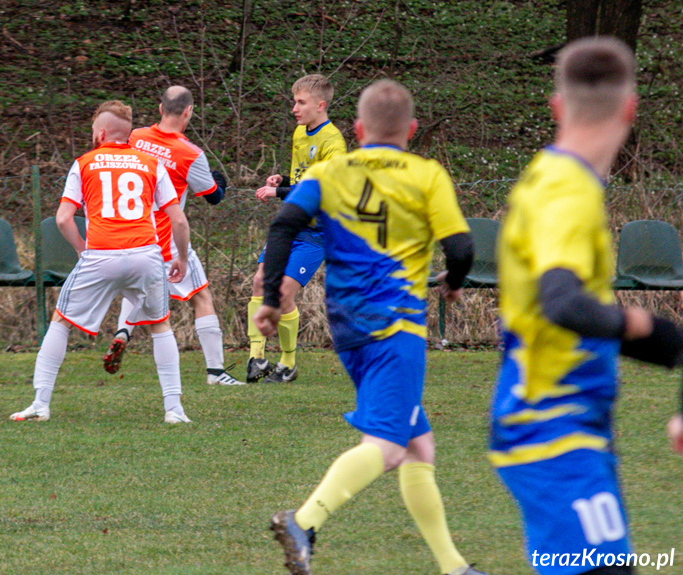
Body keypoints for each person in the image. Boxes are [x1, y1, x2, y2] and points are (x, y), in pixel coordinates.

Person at [255, 79, 488, 575]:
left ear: (358, 129)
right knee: (385, 447)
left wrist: (273, 294)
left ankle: (454, 566)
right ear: (412, 129)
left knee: (418, 445)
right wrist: (453, 282)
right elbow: (463, 249)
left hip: (347, 326)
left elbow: (284, 225)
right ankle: (303, 522)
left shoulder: (332, 169)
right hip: (395, 326)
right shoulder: (426, 175)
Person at [489, 37, 683, 575]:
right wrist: (653, 327)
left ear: (556, 106)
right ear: (630, 108)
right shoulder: (567, 190)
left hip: (563, 425)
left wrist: (670, 347)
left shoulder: (547, 179)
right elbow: (563, 302)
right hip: (551, 429)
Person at [10, 100, 194, 424]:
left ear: (101, 133)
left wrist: (83, 250)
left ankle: (40, 403)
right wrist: (180, 257)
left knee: (61, 321)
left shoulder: (84, 163)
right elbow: (178, 221)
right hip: (146, 255)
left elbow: (64, 219)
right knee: (160, 326)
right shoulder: (151, 164)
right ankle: (174, 409)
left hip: (101, 255)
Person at [101, 86, 243, 386]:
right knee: (201, 297)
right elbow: (213, 197)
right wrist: (220, 180)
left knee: (137, 289)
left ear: (159, 107)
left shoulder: (136, 136)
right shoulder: (190, 152)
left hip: (132, 231)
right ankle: (216, 372)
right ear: (188, 112)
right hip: (167, 237)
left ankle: (122, 332)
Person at [247, 73, 347, 383]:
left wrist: (277, 193)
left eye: (300, 102)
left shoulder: (334, 143)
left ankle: (287, 364)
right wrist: (283, 182)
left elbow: (324, 191)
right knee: (259, 282)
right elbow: (305, 182)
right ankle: (257, 358)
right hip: (292, 226)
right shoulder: (300, 134)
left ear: (320, 105)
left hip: (315, 234)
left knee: (282, 292)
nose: (294, 108)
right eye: (294, 101)